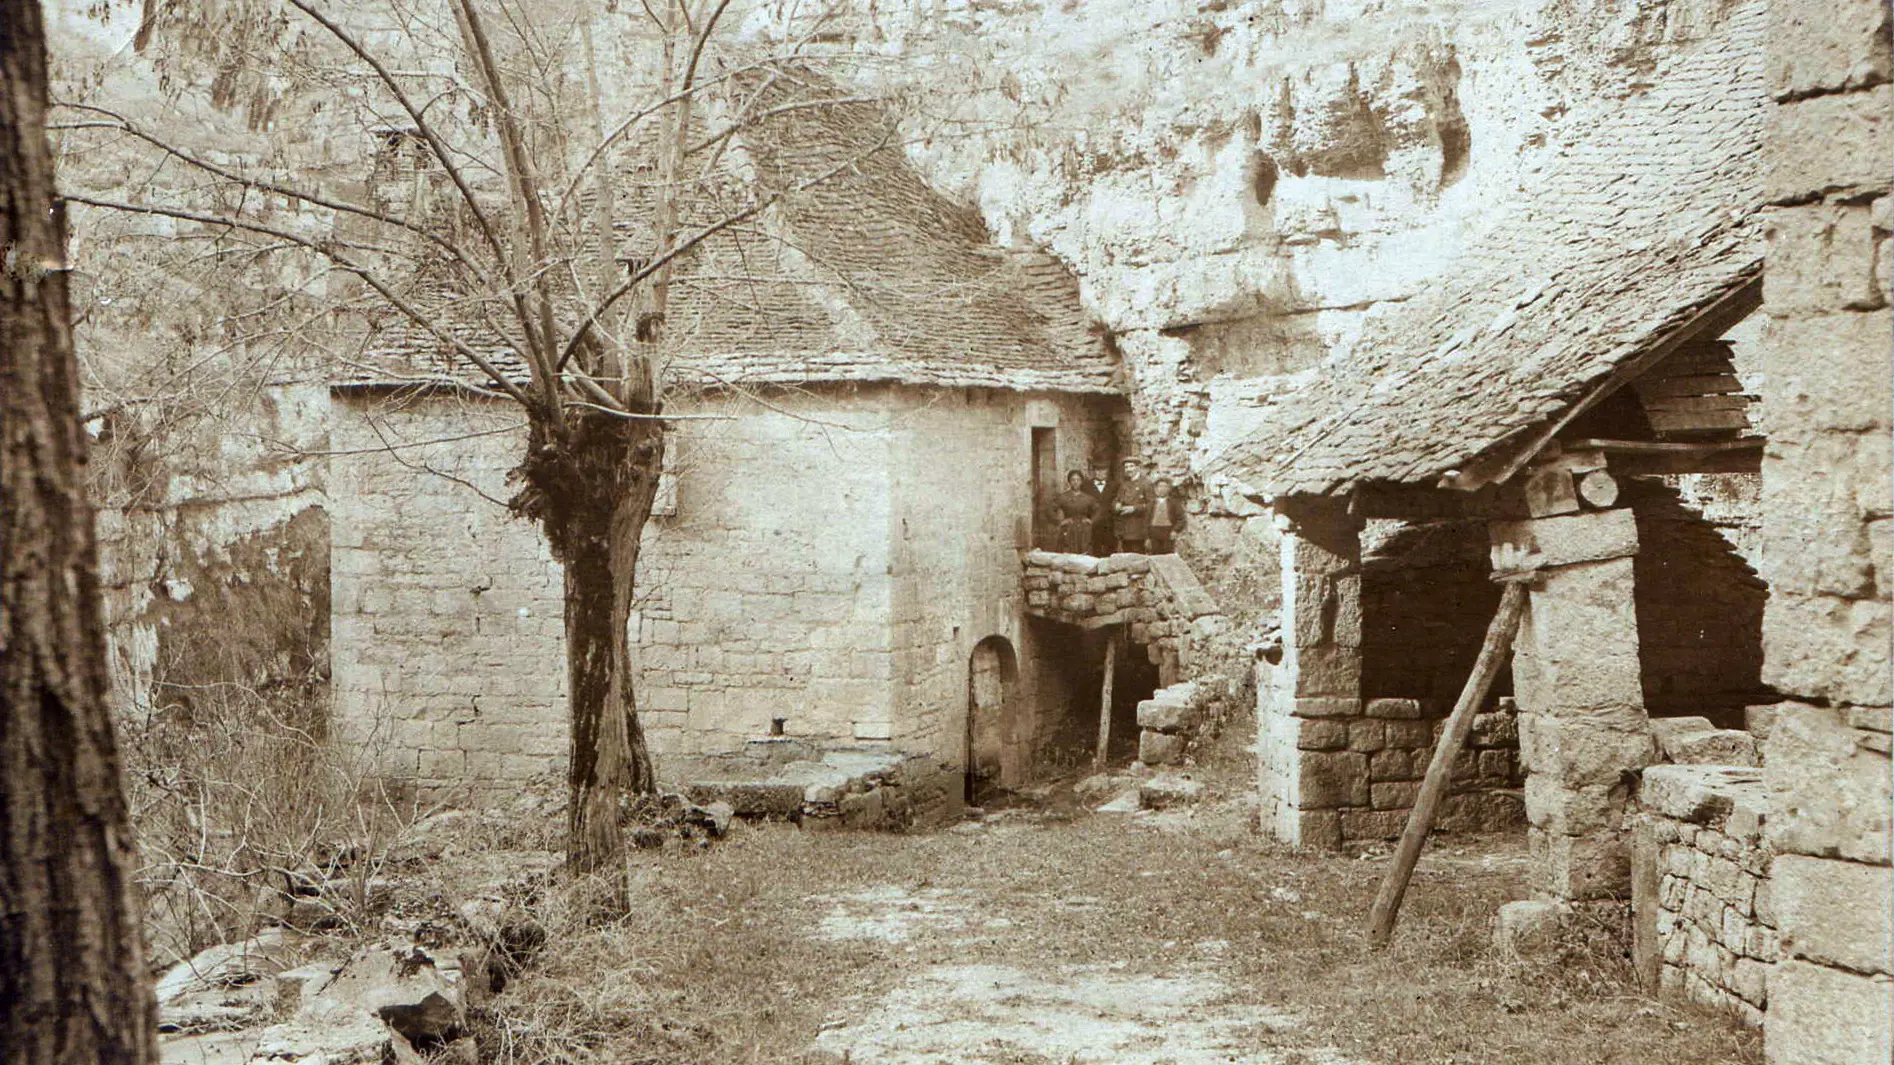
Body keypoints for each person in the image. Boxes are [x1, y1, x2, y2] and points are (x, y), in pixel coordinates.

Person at [1108, 457, 1154, 553]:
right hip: (1125, 529)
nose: (1128, 469)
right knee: (1126, 557)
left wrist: (1134, 509)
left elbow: (1151, 505)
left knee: (1137, 558)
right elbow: (1117, 499)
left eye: (1131, 466)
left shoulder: (1146, 483)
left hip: (1139, 529)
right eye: (1126, 467)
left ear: (1138, 467)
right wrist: (1116, 505)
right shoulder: (1124, 484)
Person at [1052, 470, 1099, 554]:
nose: (1075, 482)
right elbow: (1049, 510)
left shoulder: (1088, 498)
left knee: (1084, 554)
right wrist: (1059, 522)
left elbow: (1098, 511)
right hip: (1069, 528)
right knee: (1068, 554)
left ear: (1081, 482)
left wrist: (1091, 521)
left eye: (1078, 480)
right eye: (1073, 480)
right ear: (1069, 482)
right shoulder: (1063, 497)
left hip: (1084, 530)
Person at [1146, 477, 1186, 554]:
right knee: (1155, 554)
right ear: (1156, 489)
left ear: (1169, 489)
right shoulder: (1151, 503)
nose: (1162, 489)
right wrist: (1147, 537)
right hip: (1154, 532)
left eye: (1165, 486)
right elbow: (1146, 521)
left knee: (1168, 555)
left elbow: (1181, 519)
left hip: (1168, 531)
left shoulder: (1174, 503)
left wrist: (1175, 530)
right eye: (1160, 486)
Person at [1086, 460, 1115, 555]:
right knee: (1094, 549)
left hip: (1110, 524)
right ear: (1093, 472)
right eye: (1097, 470)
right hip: (1093, 524)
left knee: (1110, 550)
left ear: (1107, 471)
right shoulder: (1086, 486)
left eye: (1103, 470)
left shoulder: (1114, 485)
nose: (1100, 473)